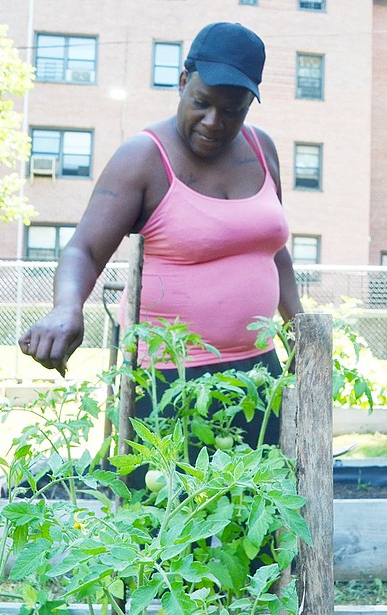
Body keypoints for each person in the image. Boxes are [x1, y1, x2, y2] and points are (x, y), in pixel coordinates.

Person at [19, 21, 303, 453]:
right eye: (203, 103)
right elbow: (85, 249)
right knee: (166, 513)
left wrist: (299, 329)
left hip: (258, 375)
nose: (213, 121)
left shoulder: (262, 148)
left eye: (232, 110)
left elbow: (272, 249)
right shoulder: (144, 157)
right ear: (183, 81)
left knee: (255, 508)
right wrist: (66, 308)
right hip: (170, 382)